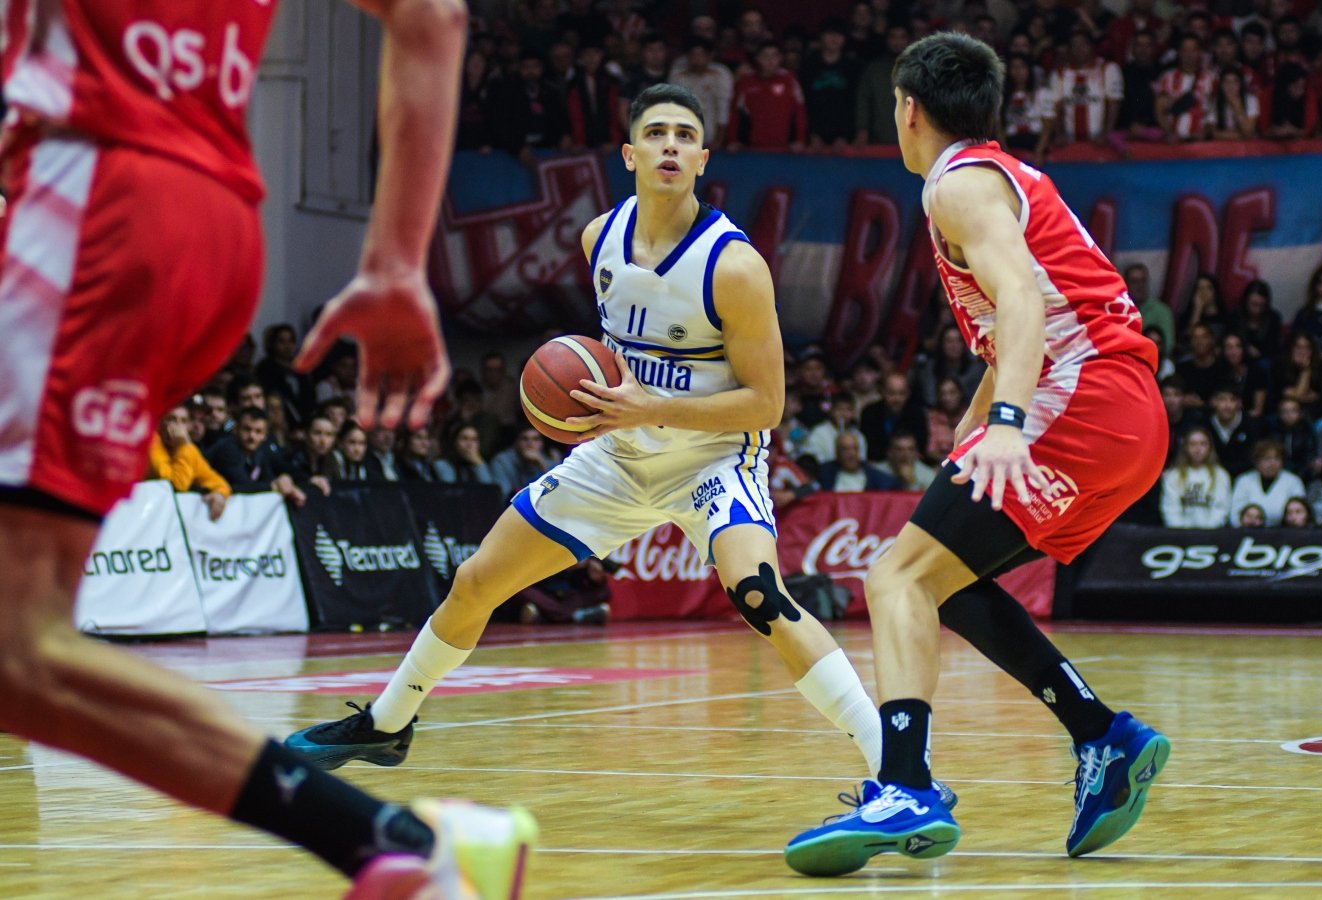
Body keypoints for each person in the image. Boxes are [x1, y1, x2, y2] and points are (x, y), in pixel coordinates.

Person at [287, 84, 958, 813]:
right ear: (630, 153)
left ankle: (897, 774)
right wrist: (595, 407)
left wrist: (654, 405)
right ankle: (387, 724)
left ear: (703, 159)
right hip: (617, 455)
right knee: (477, 580)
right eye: (656, 133)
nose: (670, 145)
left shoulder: (735, 266)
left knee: (761, 595)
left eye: (685, 136)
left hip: (713, 459)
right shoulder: (597, 238)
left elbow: (766, 406)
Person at [0, 0, 533, 897]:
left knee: (15, 644)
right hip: (213, 225)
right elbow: (432, 14)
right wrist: (398, 260)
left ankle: (398, 844)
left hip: (96, 199)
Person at [784, 33, 1170, 877]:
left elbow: (1024, 297)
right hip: (1126, 415)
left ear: (908, 108)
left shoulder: (955, 185)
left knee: (895, 578)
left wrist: (1006, 421)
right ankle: (1103, 735)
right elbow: (1010, 328)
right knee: (945, 584)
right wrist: (973, 424)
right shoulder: (1000, 177)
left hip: (1085, 400)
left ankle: (905, 787)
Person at [148, 405, 232, 521]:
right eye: (171, 419)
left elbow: (219, 483)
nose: (177, 426)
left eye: (183, 421)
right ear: (160, 422)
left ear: (188, 426)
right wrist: (182, 445)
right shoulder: (151, 443)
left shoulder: (189, 448)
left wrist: (219, 494)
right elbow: (177, 485)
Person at [1159, 427, 1232, 527]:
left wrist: (1206, 532)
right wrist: (1182, 532)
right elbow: (1170, 508)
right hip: (1180, 535)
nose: (1198, 449)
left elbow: (1221, 508)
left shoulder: (1220, 475)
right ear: (1185, 447)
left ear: (1210, 447)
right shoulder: (1174, 475)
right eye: (1193, 444)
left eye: (1203, 444)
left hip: (1212, 535)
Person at [1230, 440, 1307, 526]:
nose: (1272, 463)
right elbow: (1235, 515)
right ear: (1257, 461)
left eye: (1277, 458)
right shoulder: (1244, 481)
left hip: (1285, 533)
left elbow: (1300, 514)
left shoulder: (1293, 481)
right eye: (1267, 458)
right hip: (1250, 533)